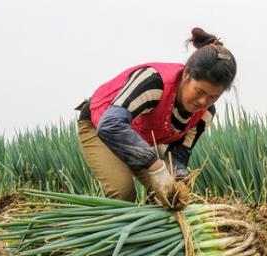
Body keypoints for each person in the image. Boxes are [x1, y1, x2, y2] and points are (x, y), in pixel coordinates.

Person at [76, 27, 236, 207]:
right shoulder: (154, 82)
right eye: (199, 91)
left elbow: (180, 153)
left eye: (213, 97)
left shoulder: (205, 114)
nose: (203, 101)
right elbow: (111, 125)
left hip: (140, 133)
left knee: (171, 194)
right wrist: (154, 165)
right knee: (122, 192)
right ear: (186, 74)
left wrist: (178, 178)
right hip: (99, 125)